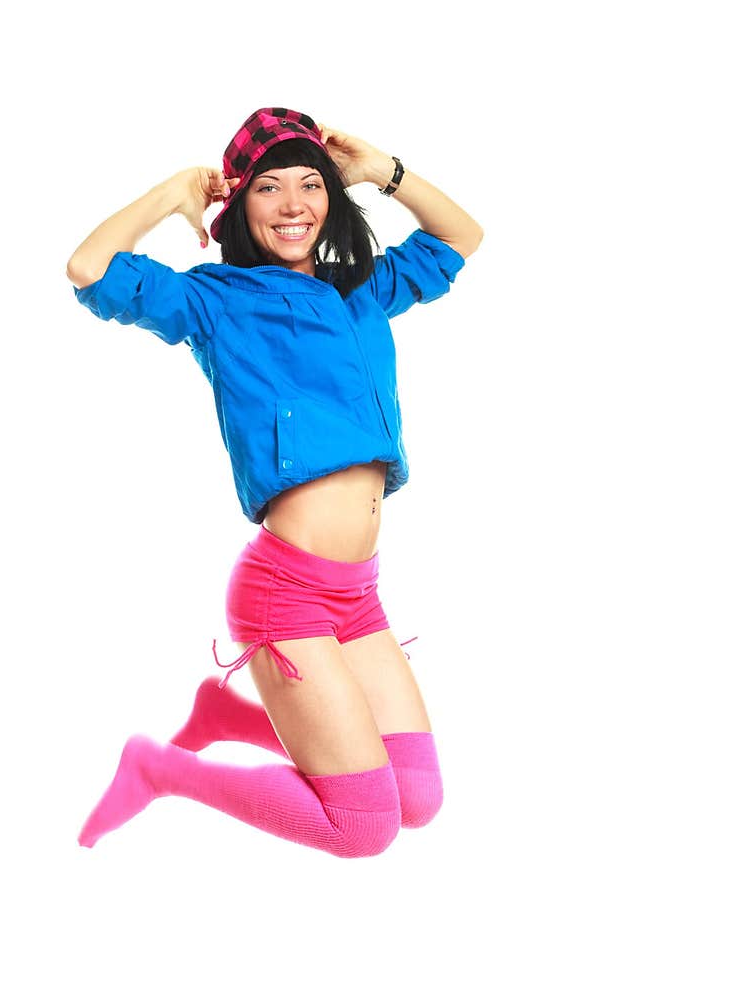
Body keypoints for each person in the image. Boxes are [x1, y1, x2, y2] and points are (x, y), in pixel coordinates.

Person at [66, 107, 483, 858]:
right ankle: (162, 770)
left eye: (309, 184)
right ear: (239, 202)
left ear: (329, 195)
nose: (293, 205)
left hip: (357, 590)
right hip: (285, 590)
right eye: (268, 188)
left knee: (417, 798)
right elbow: (89, 270)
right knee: (364, 826)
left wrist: (383, 170)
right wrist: (171, 193)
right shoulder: (217, 300)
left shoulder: (362, 289)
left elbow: (462, 238)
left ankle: (227, 716)